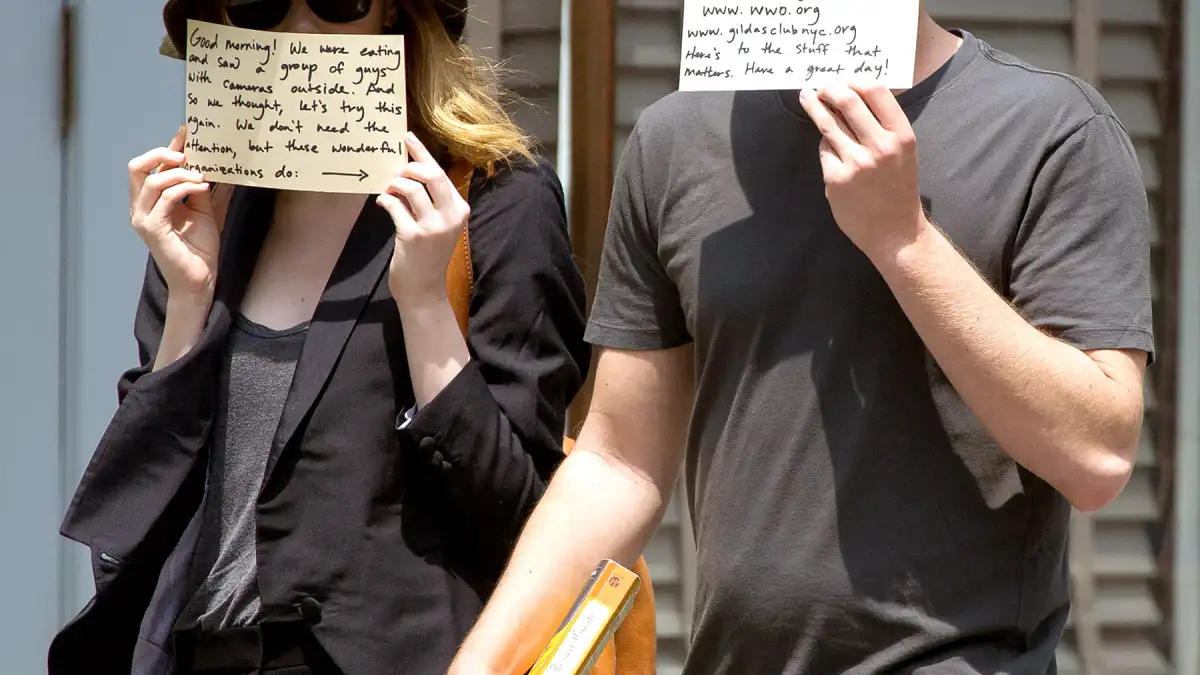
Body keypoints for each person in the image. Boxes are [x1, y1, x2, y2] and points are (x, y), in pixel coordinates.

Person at [448, 5, 1155, 675]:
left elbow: (1096, 455)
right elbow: (620, 463)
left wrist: (902, 240)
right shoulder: (672, 140)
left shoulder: (1054, 130)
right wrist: (481, 662)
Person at [47, 1, 591, 674]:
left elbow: (529, 529)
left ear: (392, 11)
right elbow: (132, 524)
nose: (298, 29)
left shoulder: (495, 202)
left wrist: (423, 305)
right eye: (260, 2)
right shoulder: (209, 209)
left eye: (338, 0)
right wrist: (188, 299)